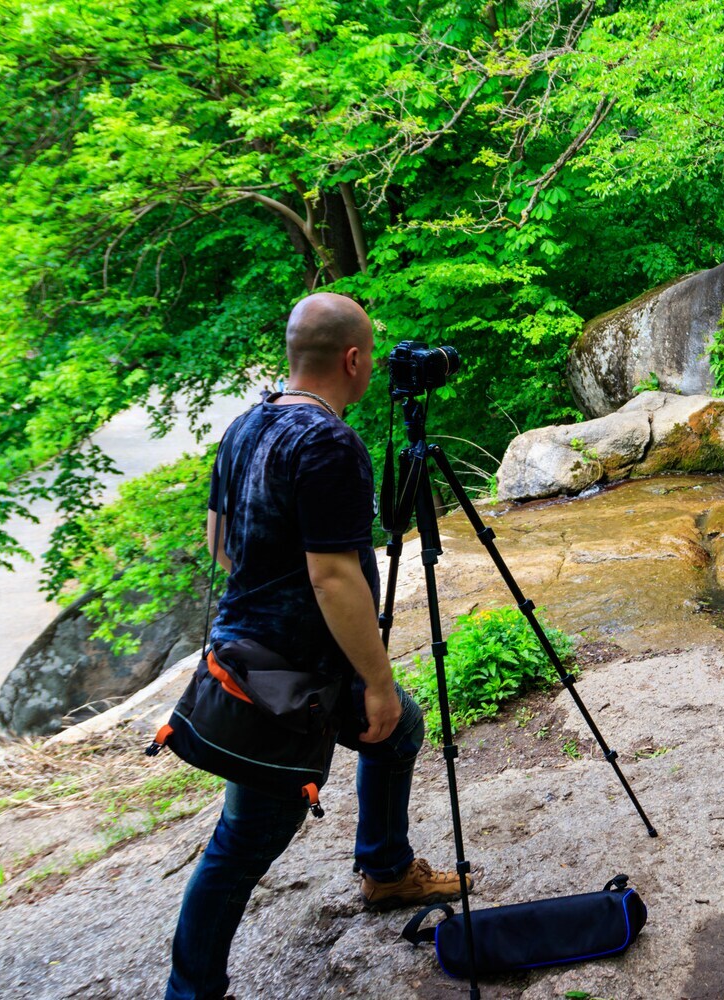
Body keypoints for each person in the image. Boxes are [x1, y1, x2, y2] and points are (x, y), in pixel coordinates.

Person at [165, 293, 469, 1000]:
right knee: (243, 843)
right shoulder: (329, 443)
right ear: (356, 360)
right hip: (283, 682)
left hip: (250, 656)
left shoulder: (247, 425)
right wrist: (378, 681)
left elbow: (220, 545)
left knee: (399, 735)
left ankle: (387, 870)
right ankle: (191, 992)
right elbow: (334, 578)